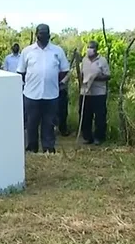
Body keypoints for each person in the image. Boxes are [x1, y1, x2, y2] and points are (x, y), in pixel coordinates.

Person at [17, 24, 70, 153]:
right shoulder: (27, 51)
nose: (44, 36)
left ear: (49, 35)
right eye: (41, 34)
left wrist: (60, 83)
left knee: (49, 122)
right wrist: (25, 85)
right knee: (31, 122)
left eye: (46, 34)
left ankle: (48, 148)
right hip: (31, 94)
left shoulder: (57, 51)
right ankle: (32, 147)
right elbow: (21, 72)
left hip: (51, 94)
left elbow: (65, 70)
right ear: (37, 35)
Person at [78, 41, 110, 145]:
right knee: (85, 115)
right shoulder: (84, 60)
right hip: (85, 93)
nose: (89, 49)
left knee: (100, 116)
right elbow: (82, 74)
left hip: (99, 93)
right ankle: (87, 137)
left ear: (96, 49)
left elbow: (107, 76)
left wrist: (96, 78)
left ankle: (99, 137)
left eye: (91, 48)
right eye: (88, 47)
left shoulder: (102, 60)